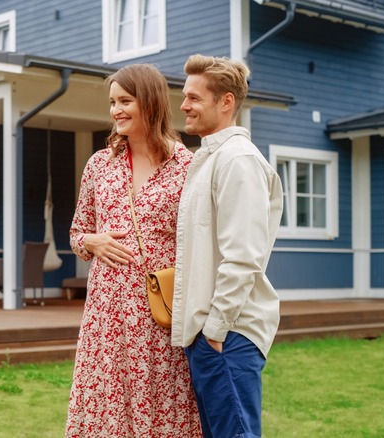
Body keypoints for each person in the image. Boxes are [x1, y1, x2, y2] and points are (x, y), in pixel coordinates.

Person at [66, 64, 201, 437]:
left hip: (161, 311)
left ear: (151, 102)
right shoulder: (100, 165)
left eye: (125, 101)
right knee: (106, 400)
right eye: (112, 102)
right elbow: (78, 233)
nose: (116, 111)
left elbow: (200, 242)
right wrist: (92, 242)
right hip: (106, 313)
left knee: (164, 399)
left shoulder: (188, 166)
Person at [172, 54, 283, 438]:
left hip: (228, 335)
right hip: (212, 335)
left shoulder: (237, 161)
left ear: (226, 102)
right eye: (184, 96)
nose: (183, 105)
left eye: (194, 97)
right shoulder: (210, 159)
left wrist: (215, 331)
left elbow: (243, 256)